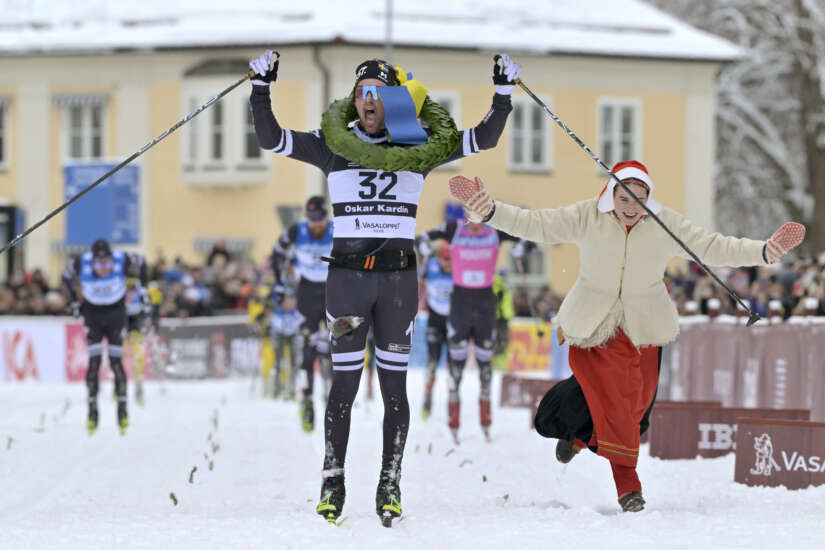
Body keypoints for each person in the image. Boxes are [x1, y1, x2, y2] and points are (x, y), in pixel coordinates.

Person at [249, 50, 521, 525]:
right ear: (354, 102)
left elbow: (483, 138)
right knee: (344, 385)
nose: (368, 98)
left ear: (392, 101)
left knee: (395, 388)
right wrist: (260, 87)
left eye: (377, 91)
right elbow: (272, 139)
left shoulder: (419, 148)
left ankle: (390, 482)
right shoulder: (331, 145)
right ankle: (333, 482)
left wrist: (502, 93)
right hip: (347, 283)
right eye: (361, 92)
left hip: (397, 284)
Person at [447, 161, 805, 512]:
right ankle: (628, 488)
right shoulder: (587, 215)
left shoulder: (665, 224)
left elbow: (713, 246)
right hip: (595, 328)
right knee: (619, 406)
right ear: (611, 194)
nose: (631, 207)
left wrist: (763, 251)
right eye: (624, 198)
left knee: (635, 408)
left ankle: (580, 436)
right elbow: (537, 224)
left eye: (639, 199)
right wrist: (491, 211)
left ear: (649, 197)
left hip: (642, 328)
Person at [418, 217, 531, 443]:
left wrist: (523, 247)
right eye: (472, 217)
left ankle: (486, 423)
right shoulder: (454, 229)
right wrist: (423, 250)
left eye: (480, 218)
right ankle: (452, 422)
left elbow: (525, 235)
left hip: (484, 307)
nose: (475, 225)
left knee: (485, 369)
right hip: (457, 308)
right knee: (454, 369)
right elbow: (422, 238)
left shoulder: (494, 230)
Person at [62, 239, 146, 435]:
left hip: (116, 314)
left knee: (116, 363)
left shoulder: (122, 258)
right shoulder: (81, 261)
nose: (104, 268)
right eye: (99, 264)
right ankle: (92, 413)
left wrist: (141, 290)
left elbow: (142, 263)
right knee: (94, 364)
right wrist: (74, 301)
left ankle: (122, 412)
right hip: (93, 315)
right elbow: (65, 276)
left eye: (107, 262)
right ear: (92, 260)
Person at [270, 196, 334, 429]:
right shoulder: (297, 231)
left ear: (326, 217)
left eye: (320, 219)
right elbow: (276, 254)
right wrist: (279, 284)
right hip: (307, 292)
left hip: (332, 290)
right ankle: (307, 400)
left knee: (335, 347)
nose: (316, 224)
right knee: (308, 349)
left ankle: (334, 398)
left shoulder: (337, 230)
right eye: (312, 219)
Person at [417, 241, 453, 420]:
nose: (448, 264)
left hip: (454, 322)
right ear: (439, 258)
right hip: (435, 320)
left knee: (454, 368)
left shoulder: (460, 268)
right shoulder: (430, 266)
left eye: (451, 260)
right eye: (445, 260)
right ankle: (427, 401)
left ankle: (453, 405)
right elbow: (417, 279)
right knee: (432, 363)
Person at [270, 286, 305, 399]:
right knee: (278, 362)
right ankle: (276, 389)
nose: (290, 303)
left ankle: (292, 389)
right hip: (280, 335)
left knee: (295, 362)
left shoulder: (298, 314)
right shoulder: (277, 314)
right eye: (288, 300)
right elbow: (275, 326)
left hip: (293, 335)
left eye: (292, 300)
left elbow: (301, 325)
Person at [124, 273, 151, 405]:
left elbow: (148, 308)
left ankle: (139, 386)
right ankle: (117, 386)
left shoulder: (141, 290)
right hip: (122, 324)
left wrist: (144, 321)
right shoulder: (118, 286)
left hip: (136, 324)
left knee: (139, 357)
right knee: (119, 357)